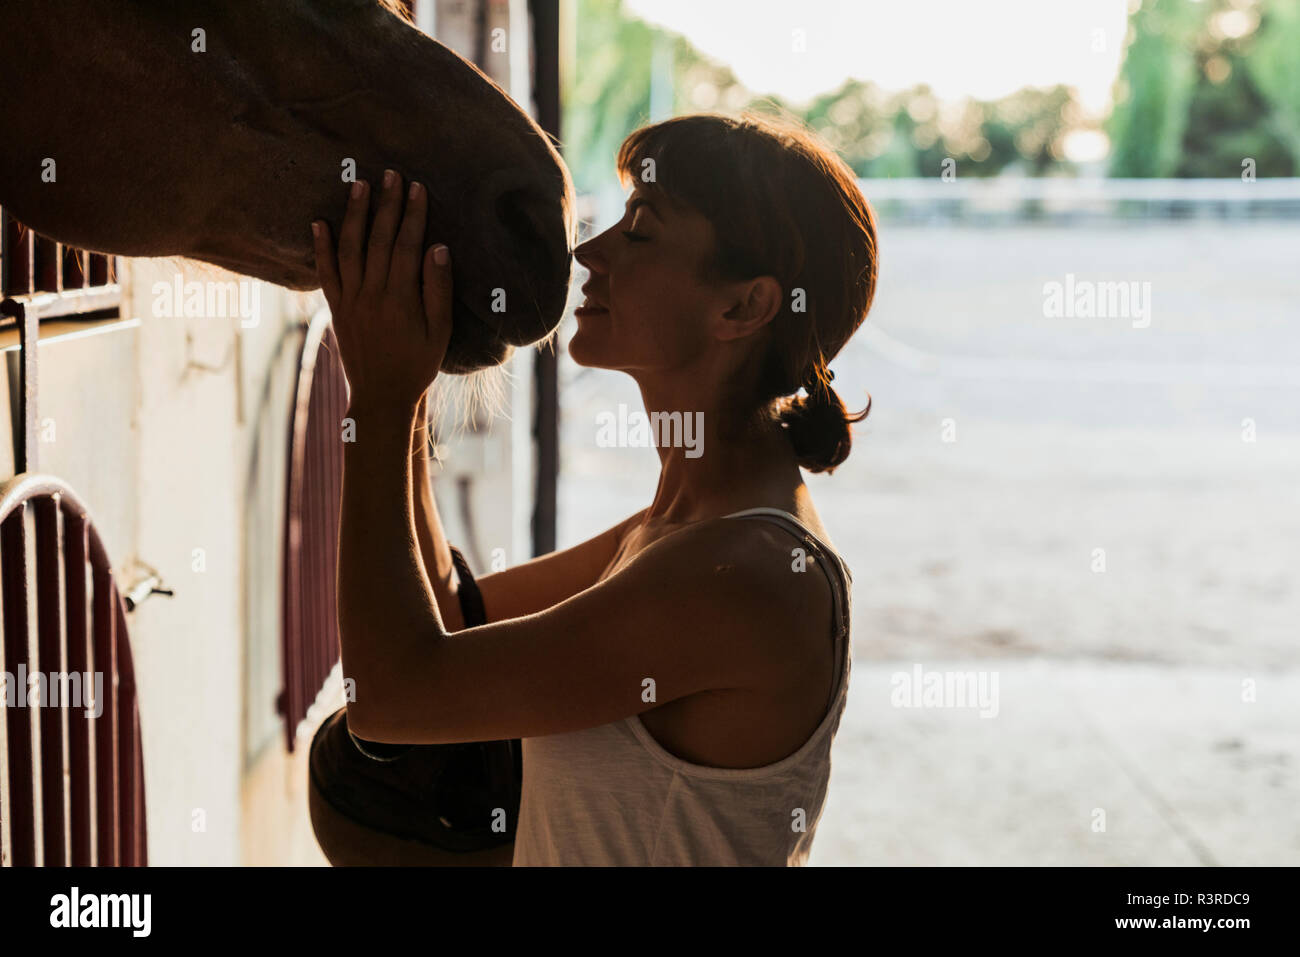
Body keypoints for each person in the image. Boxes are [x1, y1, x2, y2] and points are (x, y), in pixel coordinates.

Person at [311, 111, 879, 866]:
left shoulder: (751, 575)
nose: (589, 251)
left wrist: (380, 400)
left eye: (640, 230)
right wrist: (405, 386)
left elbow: (391, 696)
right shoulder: (682, 526)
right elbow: (454, 615)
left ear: (743, 307)